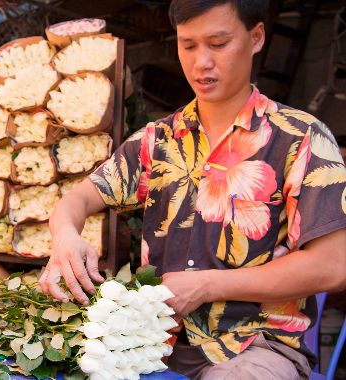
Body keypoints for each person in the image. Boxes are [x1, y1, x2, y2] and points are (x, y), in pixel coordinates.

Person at [39, 1, 346, 379]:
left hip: (256, 345)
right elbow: (78, 199)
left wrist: (206, 285)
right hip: (151, 339)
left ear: (256, 37)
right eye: (189, 45)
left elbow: (333, 265)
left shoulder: (301, 138)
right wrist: (66, 236)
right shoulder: (157, 140)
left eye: (218, 44)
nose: (201, 62)